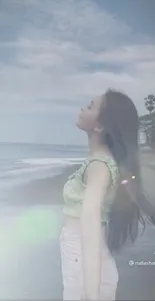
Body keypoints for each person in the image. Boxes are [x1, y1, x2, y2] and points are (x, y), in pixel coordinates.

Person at [59, 89, 155, 301]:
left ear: (99, 126)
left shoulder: (99, 167)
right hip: (84, 260)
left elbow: (90, 224)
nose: (83, 107)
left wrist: (91, 295)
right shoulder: (108, 162)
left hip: (83, 264)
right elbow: (134, 194)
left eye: (91, 105)